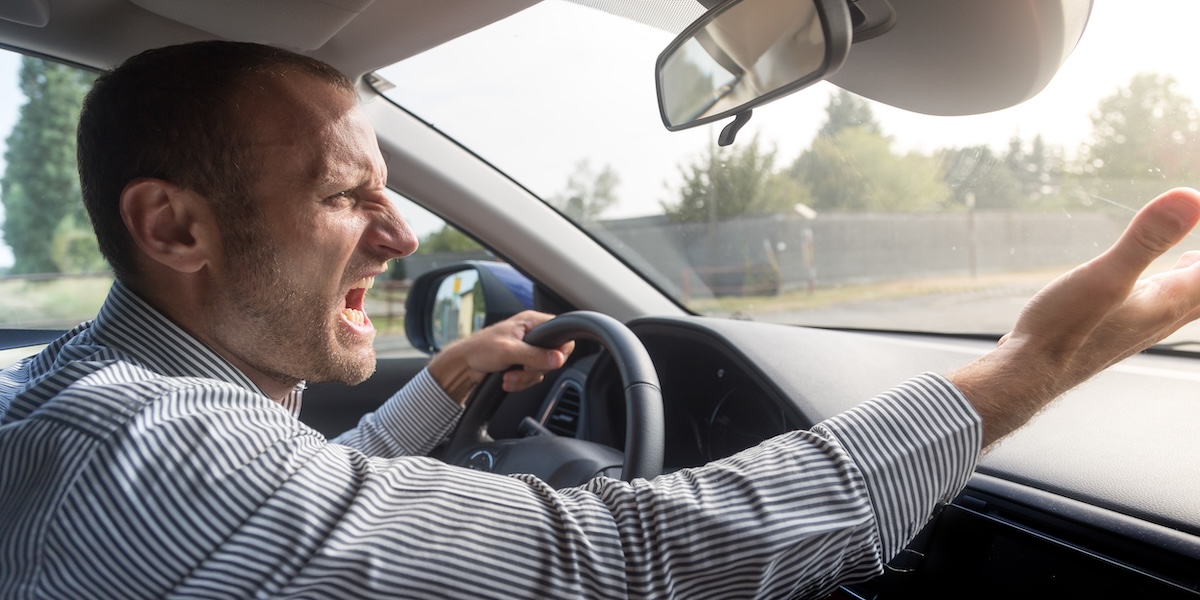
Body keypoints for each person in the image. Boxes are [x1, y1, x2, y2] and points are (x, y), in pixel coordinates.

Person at [1, 40, 1197, 599]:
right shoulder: (153, 452)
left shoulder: (97, 400)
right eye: (344, 194)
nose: (402, 234)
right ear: (175, 230)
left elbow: (296, 519)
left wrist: (446, 380)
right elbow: (633, 556)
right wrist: (1025, 370)